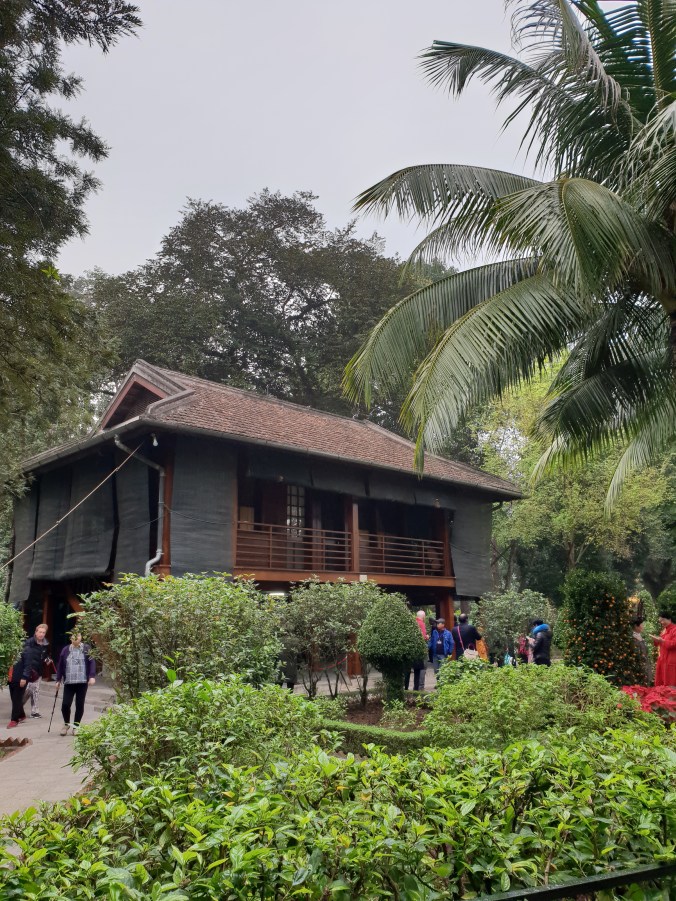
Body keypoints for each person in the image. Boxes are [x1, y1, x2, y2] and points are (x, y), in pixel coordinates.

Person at [7, 624, 49, 729]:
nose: (41, 634)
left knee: (26, 694)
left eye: (43, 632)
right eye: (40, 632)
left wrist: (24, 677)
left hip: (29, 673)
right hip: (15, 675)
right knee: (15, 697)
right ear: (36, 632)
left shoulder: (38, 646)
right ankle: (21, 714)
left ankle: (15, 719)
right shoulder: (27, 644)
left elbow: (29, 663)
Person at [56, 632, 96, 736]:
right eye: (73, 637)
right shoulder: (65, 650)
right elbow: (60, 665)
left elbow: (92, 662)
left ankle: (76, 726)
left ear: (81, 637)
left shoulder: (86, 649)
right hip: (69, 682)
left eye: (77, 636)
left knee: (79, 704)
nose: (75, 639)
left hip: (82, 682)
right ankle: (66, 724)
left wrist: (92, 676)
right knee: (65, 704)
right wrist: (58, 679)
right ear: (70, 638)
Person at [652, 605, 676, 688]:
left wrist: (662, 641)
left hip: (671, 660)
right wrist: (656, 640)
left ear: (669, 619)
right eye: (660, 621)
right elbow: (659, 644)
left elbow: (674, 644)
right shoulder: (664, 630)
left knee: (671, 686)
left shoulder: (675, 629)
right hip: (662, 660)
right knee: (661, 685)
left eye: (663, 620)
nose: (661, 622)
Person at [405, 611, 428, 691]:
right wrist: (427, 637)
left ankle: (406, 688)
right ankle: (417, 688)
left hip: (410, 649)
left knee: (407, 671)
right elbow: (423, 637)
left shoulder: (412, 623)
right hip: (418, 650)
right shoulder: (421, 624)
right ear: (423, 616)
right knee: (418, 670)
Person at [632, 618, 653, 685]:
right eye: (642, 625)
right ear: (636, 626)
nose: (643, 627)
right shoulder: (633, 637)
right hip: (638, 662)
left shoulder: (640, 635)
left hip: (645, 661)